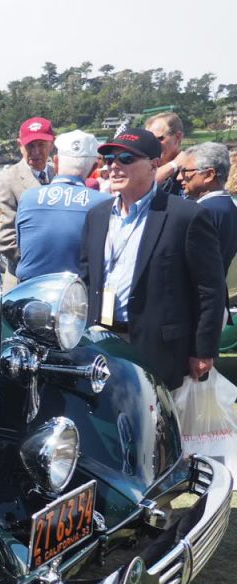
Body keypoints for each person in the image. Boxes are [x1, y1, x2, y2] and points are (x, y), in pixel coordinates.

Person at [78, 128, 224, 392]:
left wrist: (203, 350)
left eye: (126, 158)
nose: (114, 166)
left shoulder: (185, 216)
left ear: (154, 165)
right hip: (102, 342)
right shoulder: (97, 216)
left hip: (159, 349)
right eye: (109, 159)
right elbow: (87, 279)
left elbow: (209, 290)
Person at [15, 130, 110, 282]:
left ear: (57, 162)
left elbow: (22, 247)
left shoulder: (28, 198)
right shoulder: (105, 203)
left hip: (30, 294)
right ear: (93, 168)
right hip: (77, 296)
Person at [0, 117, 55, 274]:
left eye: (41, 145)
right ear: (20, 146)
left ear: (52, 144)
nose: (35, 152)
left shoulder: (59, 174)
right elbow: (4, 238)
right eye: (30, 146)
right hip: (24, 276)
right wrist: (44, 262)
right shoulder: (6, 180)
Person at [176, 143, 237, 278]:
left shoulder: (200, 211)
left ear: (209, 175)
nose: (179, 177)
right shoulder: (229, 206)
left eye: (185, 171)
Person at [144, 111, 185, 197]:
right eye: (149, 139)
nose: (152, 144)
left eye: (159, 139)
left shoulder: (191, 167)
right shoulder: (144, 164)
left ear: (177, 137)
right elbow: (141, 184)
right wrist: (174, 164)